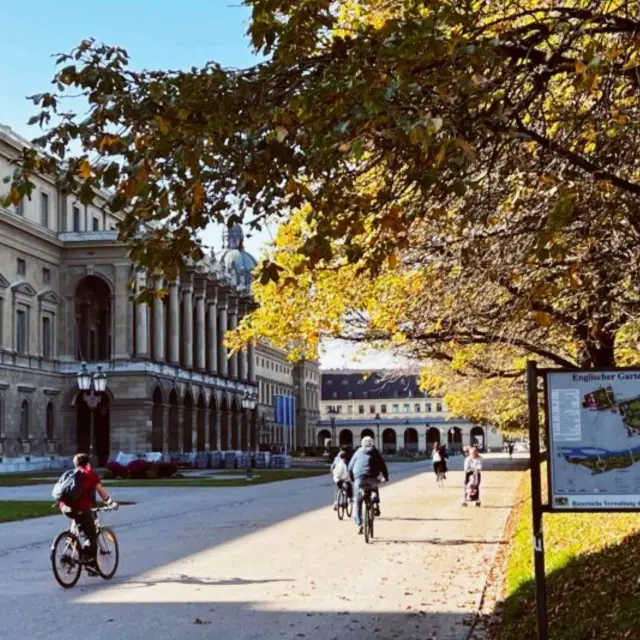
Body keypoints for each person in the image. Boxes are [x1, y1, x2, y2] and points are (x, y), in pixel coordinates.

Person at [59, 453, 118, 572]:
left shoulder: (69, 474)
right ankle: (90, 564)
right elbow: (101, 492)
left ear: (75, 464)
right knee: (90, 535)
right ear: (88, 464)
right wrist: (111, 503)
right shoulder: (90, 474)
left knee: (77, 518)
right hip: (82, 508)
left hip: (65, 507)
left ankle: (71, 539)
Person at [348, 436, 389, 534]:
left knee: (357, 501)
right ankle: (375, 501)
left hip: (359, 478)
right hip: (372, 477)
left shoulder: (357, 452)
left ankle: (359, 523)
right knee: (374, 486)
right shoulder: (376, 452)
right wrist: (385, 477)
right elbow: (383, 466)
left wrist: (352, 479)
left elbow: (350, 467)